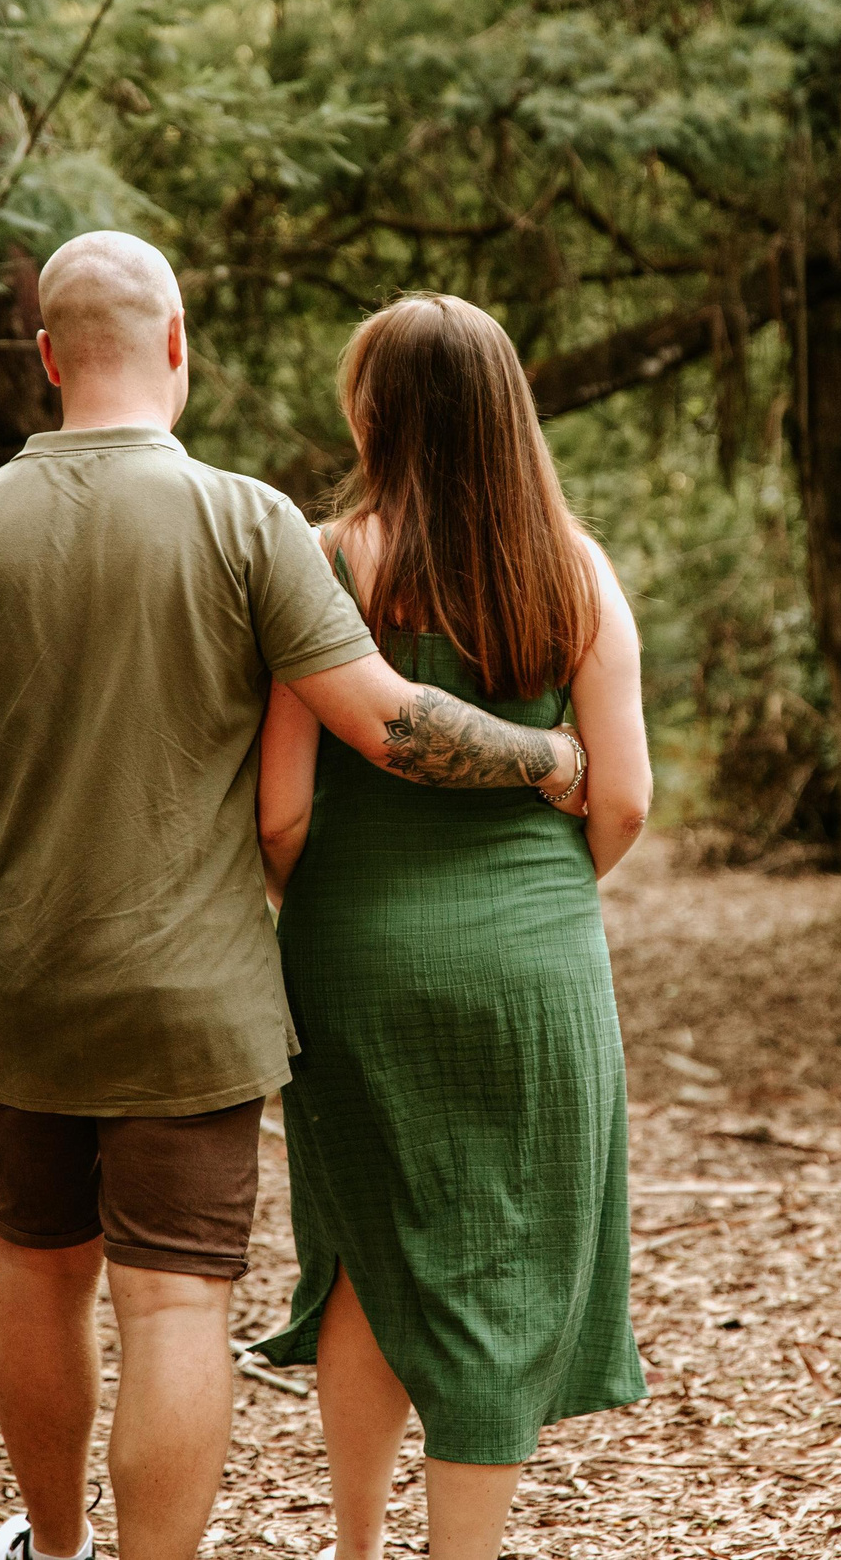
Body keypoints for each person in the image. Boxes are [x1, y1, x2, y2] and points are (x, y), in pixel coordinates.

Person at [0, 235, 590, 1560]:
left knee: (38, 1267)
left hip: (19, 976)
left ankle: (52, 1545)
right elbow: (383, 722)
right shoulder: (248, 519)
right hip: (195, 991)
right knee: (173, 1305)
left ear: (46, 355)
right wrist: (547, 756)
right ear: (179, 341)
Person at [251, 294, 653, 1560]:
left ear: (374, 412)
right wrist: (531, 884)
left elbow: (278, 813)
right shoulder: (576, 571)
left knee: (368, 1244)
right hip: (534, 947)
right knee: (508, 1258)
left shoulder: (323, 562)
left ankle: (358, 1549)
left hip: (354, 948)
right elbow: (625, 797)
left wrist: (331, 906)